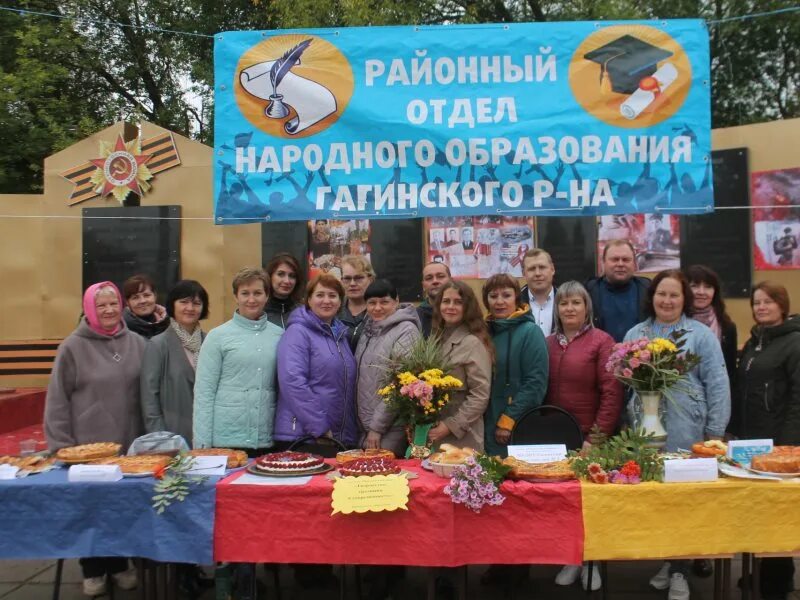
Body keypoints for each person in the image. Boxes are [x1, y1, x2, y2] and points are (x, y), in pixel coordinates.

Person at [624, 270, 729, 600]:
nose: (666, 300)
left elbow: (718, 383)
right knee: (659, 501)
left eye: (674, 295)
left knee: (684, 501)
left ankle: (681, 570)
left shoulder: (699, 335)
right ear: (651, 296)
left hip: (688, 430)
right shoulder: (636, 333)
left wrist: (714, 433)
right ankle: (671, 561)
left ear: (684, 299)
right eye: (661, 294)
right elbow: (626, 384)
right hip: (646, 432)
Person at [44, 281, 144, 597]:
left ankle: (120, 563)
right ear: (89, 308)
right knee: (92, 508)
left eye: (114, 303)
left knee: (122, 507)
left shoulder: (138, 343)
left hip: (129, 443)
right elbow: (57, 400)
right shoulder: (72, 347)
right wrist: (60, 445)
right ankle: (93, 568)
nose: (109, 310)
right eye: (101, 305)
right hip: (86, 447)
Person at [546, 281, 622, 592]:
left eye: (576, 302)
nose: (569, 309)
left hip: (590, 437)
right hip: (556, 439)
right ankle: (571, 559)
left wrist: (597, 436)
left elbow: (611, 392)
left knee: (591, 504)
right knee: (564, 505)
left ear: (586, 307)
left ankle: (592, 562)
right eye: (564, 303)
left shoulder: (602, 342)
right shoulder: (548, 342)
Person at [738, 282, 799, 600]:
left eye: (768, 302)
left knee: (777, 514)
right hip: (754, 441)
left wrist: (789, 444)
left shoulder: (794, 343)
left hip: (781, 444)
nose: (761, 307)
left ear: (782, 305)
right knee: (759, 511)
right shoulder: (756, 341)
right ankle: (762, 573)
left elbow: (797, 400)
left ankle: (777, 583)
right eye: (756, 302)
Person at [193, 268, 282, 452]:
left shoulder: (280, 335)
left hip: (267, 439)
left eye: (257, 293)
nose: (251, 299)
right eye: (245, 293)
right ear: (236, 296)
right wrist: (202, 446)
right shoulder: (217, 337)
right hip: (226, 441)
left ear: (266, 296)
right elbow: (204, 393)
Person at [275, 274, 358, 447]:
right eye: (320, 295)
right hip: (305, 436)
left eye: (332, 295)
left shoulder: (340, 335)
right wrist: (319, 427)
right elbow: (293, 382)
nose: (326, 301)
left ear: (340, 301)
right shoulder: (298, 332)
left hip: (335, 437)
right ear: (309, 300)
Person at [482, 274, 549, 458]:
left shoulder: (530, 332)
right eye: (493, 296)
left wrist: (509, 419)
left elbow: (535, 383)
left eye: (506, 295)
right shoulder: (484, 332)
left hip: (513, 425)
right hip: (483, 423)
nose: (499, 301)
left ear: (516, 299)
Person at [355, 279, 421, 456]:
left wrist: (377, 427)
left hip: (390, 427)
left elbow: (400, 383)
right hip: (365, 426)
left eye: (384, 302)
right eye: (372, 303)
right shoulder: (368, 330)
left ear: (396, 301)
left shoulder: (406, 330)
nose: (377, 308)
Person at [140, 280, 209, 445]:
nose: (190, 308)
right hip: (171, 436)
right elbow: (149, 398)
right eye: (183, 302)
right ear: (172, 305)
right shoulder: (157, 345)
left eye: (196, 303)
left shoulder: (210, 342)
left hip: (207, 435)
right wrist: (160, 438)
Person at [428, 281, 492, 452]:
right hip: (434, 433)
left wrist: (451, 425)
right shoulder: (434, 339)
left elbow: (480, 395)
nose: (451, 307)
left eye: (458, 302)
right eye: (446, 301)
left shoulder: (472, 343)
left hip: (463, 437)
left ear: (467, 307)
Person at [685, 265, 738, 433]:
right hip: (684, 405)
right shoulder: (675, 323)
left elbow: (729, 372)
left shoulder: (727, 326)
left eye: (708, 286)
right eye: (695, 285)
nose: (701, 292)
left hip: (715, 401)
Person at [585, 240, 650, 342]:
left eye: (626, 260)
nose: (620, 264)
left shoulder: (647, 289)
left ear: (634, 263)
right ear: (603, 262)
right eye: (615, 259)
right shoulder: (588, 291)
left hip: (640, 355)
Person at [338, 254, 376, 347]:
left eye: (358, 278)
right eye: (347, 278)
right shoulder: (333, 310)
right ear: (341, 281)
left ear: (370, 279)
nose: (352, 283)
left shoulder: (381, 310)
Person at [520, 248, 557, 336]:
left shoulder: (566, 300)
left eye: (542, 267)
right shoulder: (514, 303)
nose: (537, 273)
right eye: (532, 269)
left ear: (552, 269)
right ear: (523, 273)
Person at [122, 274, 170, 339]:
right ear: (127, 302)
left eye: (146, 295)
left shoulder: (170, 325)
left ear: (155, 296)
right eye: (135, 297)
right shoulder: (122, 331)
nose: (142, 301)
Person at [264, 253, 304, 329]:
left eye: (292, 276)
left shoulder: (304, 313)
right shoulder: (259, 313)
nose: (287, 281)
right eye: (281, 274)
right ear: (270, 276)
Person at [417, 262, 451, 338]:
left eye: (440, 276)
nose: (435, 281)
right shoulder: (416, 317)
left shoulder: (463, 312)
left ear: (451, 280)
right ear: (423, 286)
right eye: (429, 278)